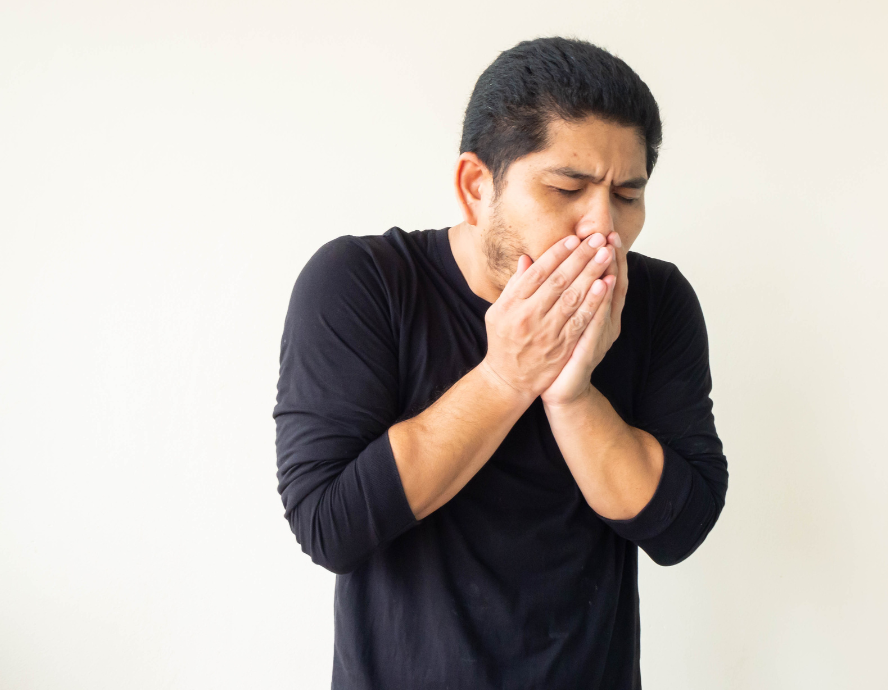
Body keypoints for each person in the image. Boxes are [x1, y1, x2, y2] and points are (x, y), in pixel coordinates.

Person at [273, 36, 728, 690]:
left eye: (627, 195)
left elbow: (678, 527)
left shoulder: (656, 303)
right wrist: (506, 377)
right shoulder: (360, 284)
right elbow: (330, 525)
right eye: (568, 187)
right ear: (475, 186)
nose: (603, 228)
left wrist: (573, 399)